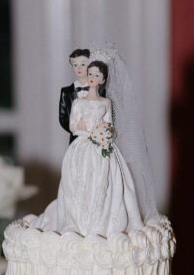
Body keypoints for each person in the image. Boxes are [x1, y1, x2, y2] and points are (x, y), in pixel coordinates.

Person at [37, 55, 148, 237]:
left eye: (96, 75)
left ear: (102, 80)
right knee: (78, 182)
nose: (91, 77)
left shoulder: (106, 103)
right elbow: (73, 125)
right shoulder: (78, 103)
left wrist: (104, 133)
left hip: (102, 146)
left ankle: (101, 222)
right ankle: (77, 221)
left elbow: (109, 125)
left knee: (106, 182)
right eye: (90, 73)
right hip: (82, 147)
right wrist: (88, 129)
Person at [59, 48, 91, 144]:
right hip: (76, 140)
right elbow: (63, 118)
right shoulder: (66, 92)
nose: (79, 68)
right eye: (75, 65)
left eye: (82, 64)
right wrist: (77, 129)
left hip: (96, 139)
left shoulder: (99, 90)